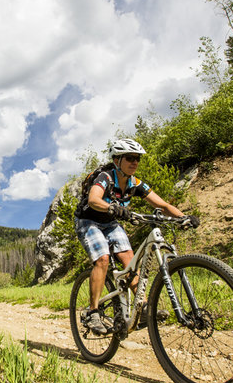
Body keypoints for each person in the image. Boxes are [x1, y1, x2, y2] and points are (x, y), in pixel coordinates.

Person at [74, 138, 198, 334]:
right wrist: (113, 207)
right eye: (130, 158)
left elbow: (163, 205)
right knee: (103, 259)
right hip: (88, 221)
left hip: (110, 223)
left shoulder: (135, 183)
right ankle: (93, 312)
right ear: (117, 160)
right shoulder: (106, 177)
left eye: (137, 159)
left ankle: (145, 306)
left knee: (130, 261)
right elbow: (93, 199)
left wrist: (183, 217)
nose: (135, 162)